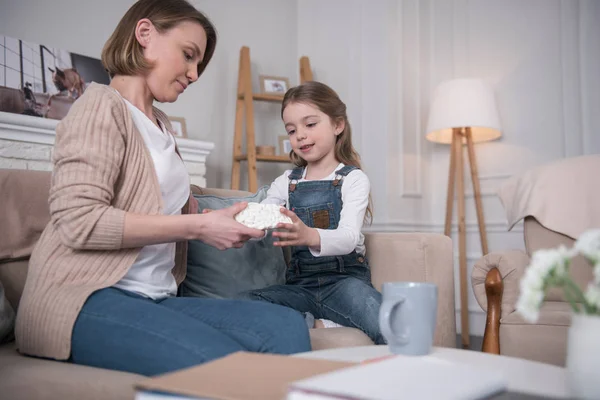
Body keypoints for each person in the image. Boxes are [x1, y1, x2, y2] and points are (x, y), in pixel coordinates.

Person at [14, 0, 310, 377]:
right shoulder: (98, 107)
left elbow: (169, 212)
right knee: (230, 369)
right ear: (145, 35)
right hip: (81, 299)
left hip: (154, 300)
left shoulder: (161, 126)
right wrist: (199, 227)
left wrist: (235, 219)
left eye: (199, 64)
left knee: (284, 326)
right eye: (189, 56)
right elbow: (78, 221)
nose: (195, 73)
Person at [240, 81, 384, 344]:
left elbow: (349, 237)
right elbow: (266, 213)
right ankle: (317, 322)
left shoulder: (353, 179)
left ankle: (325, 320)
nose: (300, 136)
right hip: (301, 286)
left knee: (388, 321)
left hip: (343, 282)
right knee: (247, 302)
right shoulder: (287, 181)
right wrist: (241, 221)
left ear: (338, 125)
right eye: (292, 130)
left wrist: (308, 236)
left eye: (310, 124)